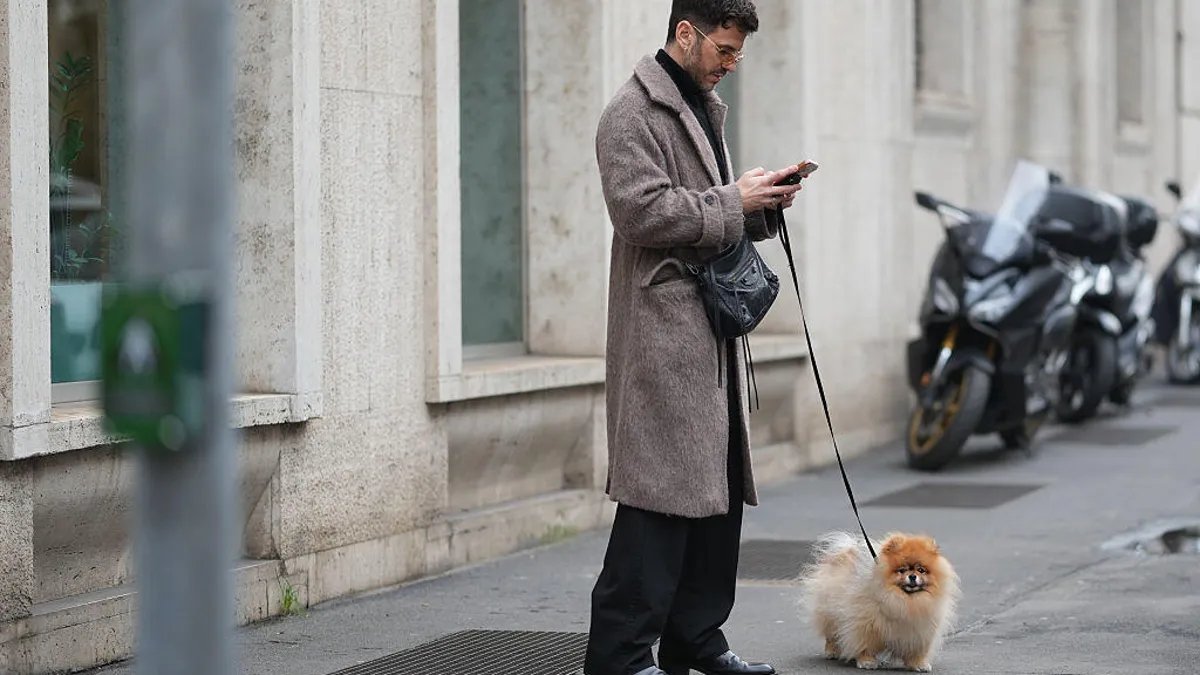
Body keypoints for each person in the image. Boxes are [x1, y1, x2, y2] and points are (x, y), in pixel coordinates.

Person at [584, 2, 805, 675]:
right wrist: (732, 202)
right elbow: (640, 212)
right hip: (661, 332)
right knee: (658, 500)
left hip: (705, 331)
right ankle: (620, 656)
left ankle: (695, 639)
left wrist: (759, 205)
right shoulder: (631, 113)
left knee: (717, 495)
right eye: (726, 51)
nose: (731, 66)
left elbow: (707, 211)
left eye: (738, 54)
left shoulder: (700, 107)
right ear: (686, 32)